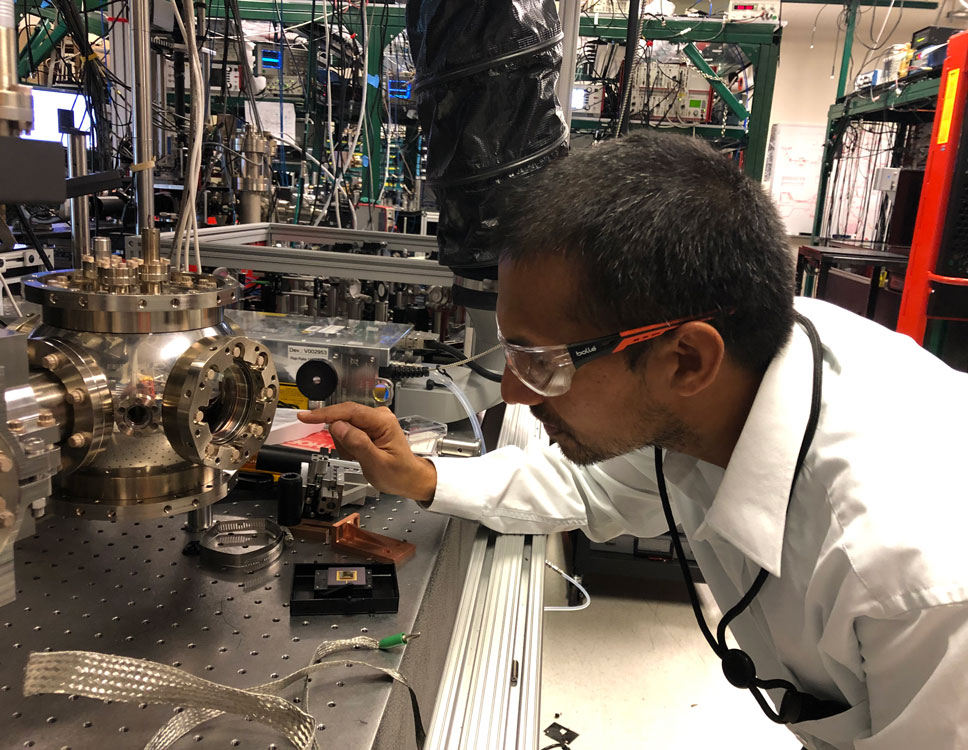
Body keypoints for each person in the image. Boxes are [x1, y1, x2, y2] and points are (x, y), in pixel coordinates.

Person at [298, 132, 968, 750]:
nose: (513, 393)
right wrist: (419, 476)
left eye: (542, 361)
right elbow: (588, 487)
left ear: (685, 361)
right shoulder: (742, 369)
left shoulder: (908, 579)